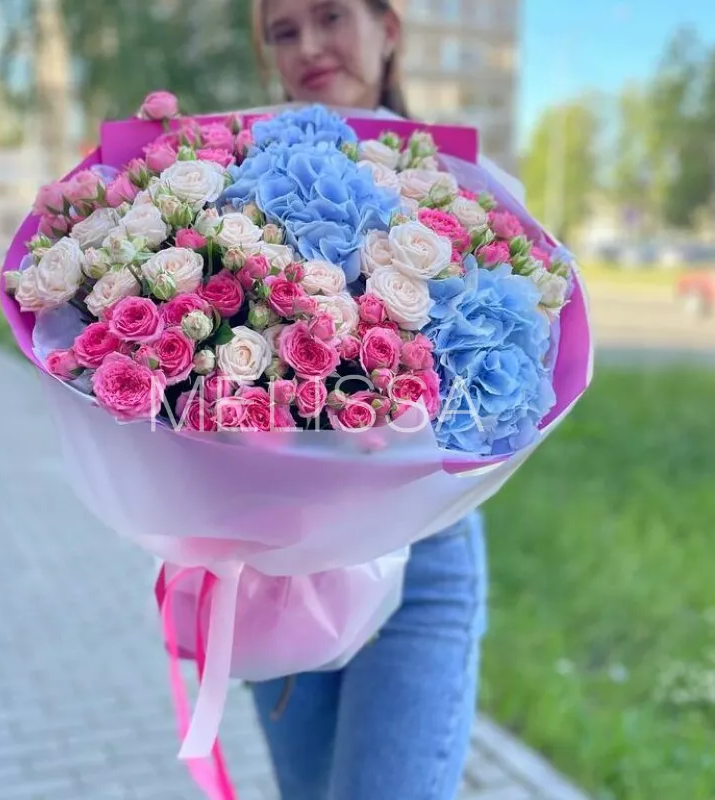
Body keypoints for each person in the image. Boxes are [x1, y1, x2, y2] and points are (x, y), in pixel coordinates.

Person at [247, 2, 489, 799]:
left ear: (389, 29)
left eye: (331, 16)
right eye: (284, 31)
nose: (310, 46)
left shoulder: (464, 192)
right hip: (278, 563)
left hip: (420, 558)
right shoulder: (234, 183)